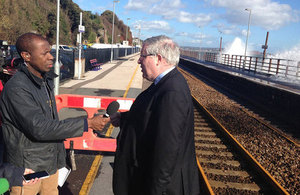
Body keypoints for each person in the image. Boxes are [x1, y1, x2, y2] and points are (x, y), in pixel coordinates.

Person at [0, 32, 110, 195]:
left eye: (50, 52)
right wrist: (87, 123)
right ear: (26, 56)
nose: (51, 57)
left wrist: (59, 161)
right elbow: (39, 128)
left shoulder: (45, 80)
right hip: (29, 170)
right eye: (44, 53)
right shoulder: (17, 88)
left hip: (50, 165)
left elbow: (52, 121)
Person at [110, 35, 200, 195]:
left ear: (158, 58)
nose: (139, 61)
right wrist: (124, 119)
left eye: (142, 56)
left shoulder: (172, 92)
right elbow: (151, 117)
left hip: (162, 188)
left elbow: (167, 151)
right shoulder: (164, 84)